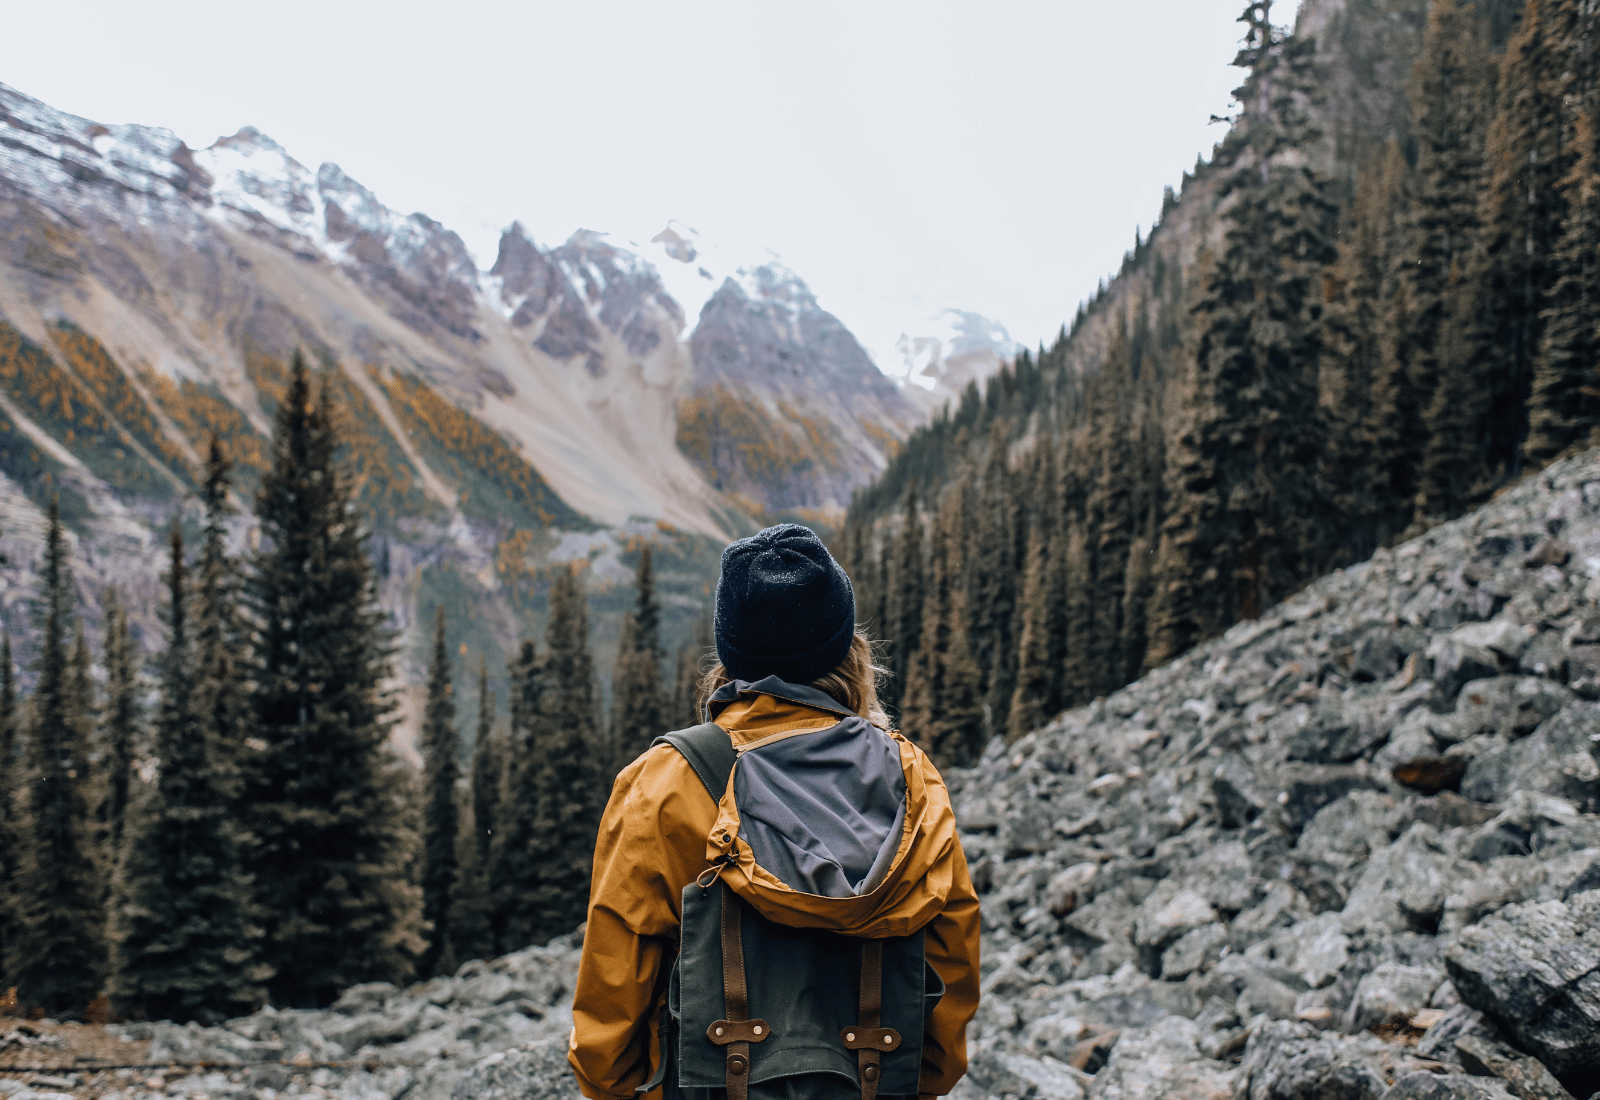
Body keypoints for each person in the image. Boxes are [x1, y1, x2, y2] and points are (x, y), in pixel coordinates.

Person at [569, 523, 981, 1100]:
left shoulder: (664, 784)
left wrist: (613, 1087)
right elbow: (950, 963)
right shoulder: (913, 780)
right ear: (848, 650)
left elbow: (614, 991)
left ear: (730, 656)